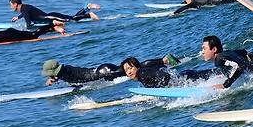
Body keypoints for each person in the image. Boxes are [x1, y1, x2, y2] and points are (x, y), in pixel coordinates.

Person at [42, 55, 180, 86]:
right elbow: (63, 75)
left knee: (136, 68)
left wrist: (54, 79)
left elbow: (67, 76)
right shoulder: (64, 71)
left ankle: (163, 60)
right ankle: (163, 60)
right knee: (134, 68)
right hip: (102, 70)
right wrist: (53, 79)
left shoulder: (64, 72)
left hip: (105, 72)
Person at [9, 0, 100, 27]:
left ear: (15, 4)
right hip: (51, 16)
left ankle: (88, 15)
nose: (10, 7)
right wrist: (18, 17)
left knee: (72, 20)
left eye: (11, 4)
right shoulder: (25, 7)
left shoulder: (24, 10)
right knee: (72, 18)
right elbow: (26, 14)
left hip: (52, 17)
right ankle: (87, 8)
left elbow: (29, 24)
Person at [0, 19, 64, 46]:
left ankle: (53, 26)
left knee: (34, 35)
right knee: (33, 34)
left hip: (9, 35)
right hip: (8, 34)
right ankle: (52, 28)